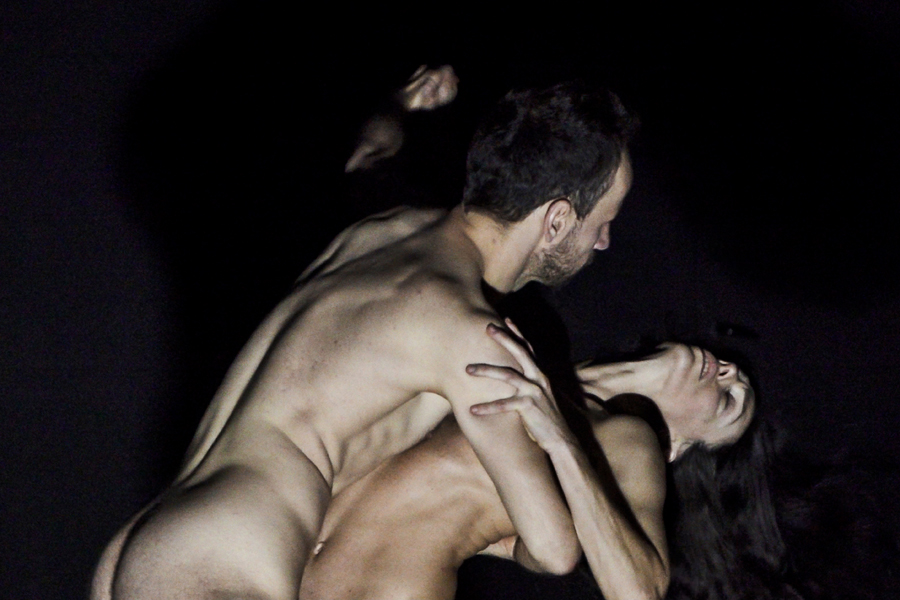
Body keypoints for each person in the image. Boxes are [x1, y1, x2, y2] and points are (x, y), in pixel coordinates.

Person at [91, 81, 637, 600]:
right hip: (223, 561)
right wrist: (559, 440)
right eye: (604, 220)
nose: (605, 242)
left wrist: (398, 104)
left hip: (159, 540)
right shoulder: (474, 338)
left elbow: (369, 153)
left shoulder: (377, 232)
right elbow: (556, 549)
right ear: (557, 220)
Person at [298, 325, 756, 600]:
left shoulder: (623, 441)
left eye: (727, 402)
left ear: (676, 449)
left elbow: (638, 594)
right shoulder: (536, 352)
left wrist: (560, 441)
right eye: (734, 371)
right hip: (289, 537)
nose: (728, 373)